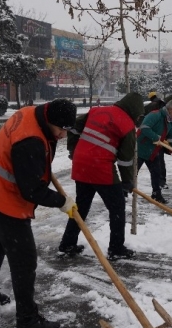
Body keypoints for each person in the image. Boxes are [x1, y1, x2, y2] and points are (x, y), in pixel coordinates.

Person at [0, 98, 77, 328]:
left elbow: (33, 166)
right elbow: (31, 190)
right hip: (6, 202)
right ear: (50, 121)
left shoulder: (32, 113)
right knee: (25, 261)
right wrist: (62, 202)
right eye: (61, 130)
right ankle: (27, 320)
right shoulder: (30, 142)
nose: (62, 135)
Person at [59, 92, 144, 260]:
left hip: (81, 165)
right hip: (100, 168)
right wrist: (127, 182)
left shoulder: (97, 110)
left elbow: (73, 127)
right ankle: (116, 249)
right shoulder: (127, 125)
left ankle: (67, 244)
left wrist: (73, 150)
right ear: (135, 110)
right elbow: (126, 159)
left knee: (81, 207)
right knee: (117, 208)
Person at [137, 100, 172, 204]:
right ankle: (123, 192)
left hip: (153, 151)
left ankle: (156, 194)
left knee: (156, 173)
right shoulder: (155, 115)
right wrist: (156, 137)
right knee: (133, 173)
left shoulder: (169, 122)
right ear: (170, 110)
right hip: (140, 149)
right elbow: (144, 127)